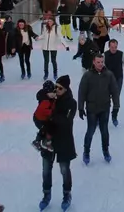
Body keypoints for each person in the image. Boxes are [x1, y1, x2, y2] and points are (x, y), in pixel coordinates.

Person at [40, 76, 77, 211]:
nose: (56, 89)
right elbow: (39, 95)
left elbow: (66, 121)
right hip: (48, 139)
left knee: (64, 170)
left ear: (66, 89)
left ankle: (67, 194)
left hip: (63, 140)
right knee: (46, 169)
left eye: (60, 88)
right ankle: (46, 194)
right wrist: (46, 94)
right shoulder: (52, 97)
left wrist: (50, 115)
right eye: (56, 87)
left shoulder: (71, 103)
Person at [77, 54, 120, 164]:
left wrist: (116, 106)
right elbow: (82, 92)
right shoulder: (87, 75)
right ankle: (86, 152)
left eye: (102, 62)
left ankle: (106, 151)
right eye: (98, 62)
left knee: (104, 131)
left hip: (104, 107)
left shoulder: (109, 75)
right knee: (90, 131)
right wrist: (81, 108)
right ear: (93, 62)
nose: (100, 64)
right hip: (92, 108)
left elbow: (115, 91)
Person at [104, 39, 124, 127]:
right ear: (109, 47)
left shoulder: (121, 54)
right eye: (112, 47)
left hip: (118, 79)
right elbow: (101, 67)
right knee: (105, 99)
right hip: (107, 80)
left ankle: (114, 116)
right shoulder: (105, 55)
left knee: (116, 99)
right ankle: (103, 117)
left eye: (115, 47)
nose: (114, 49)